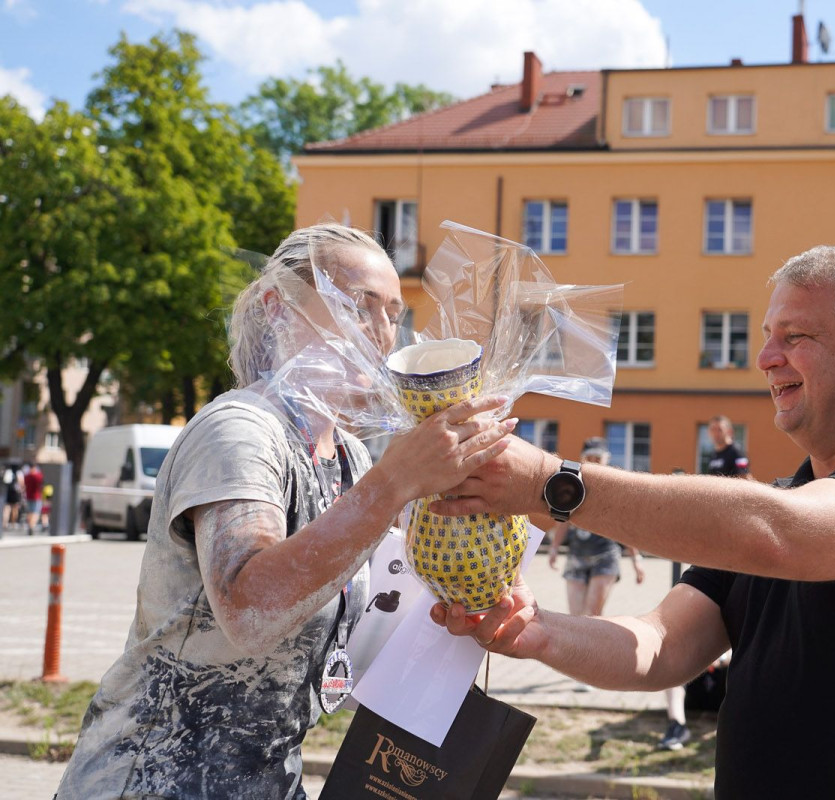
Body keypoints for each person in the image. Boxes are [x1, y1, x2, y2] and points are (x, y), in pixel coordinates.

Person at [432, 245, 835, 798]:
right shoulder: (774, 509)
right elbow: (661, 647)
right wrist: (539, 632)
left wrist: (550, 483)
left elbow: (784, 536)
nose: (765, 359)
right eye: (766, 339)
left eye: (796, 337)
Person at [56, 223, 512, 800]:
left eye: (392, 313)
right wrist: (396, 482)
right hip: (152, 779)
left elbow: (348, 620)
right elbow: (251, 608)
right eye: (355, 304)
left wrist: (469, 591)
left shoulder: (348, 456)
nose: (378, 331)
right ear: (275, 308)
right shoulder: (240, 430)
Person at [659, 415, 750, 751]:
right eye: (710, 431)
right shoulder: (712, 457)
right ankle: (676, 725)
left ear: (728, 431)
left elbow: (743, 484)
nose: (714, 435)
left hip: (728, 529)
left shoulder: (735, 452)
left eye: (717, 430)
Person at [547, 437, 645, 624]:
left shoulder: (614, 488)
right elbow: (563, 521)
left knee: (591, 614)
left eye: (597, 458)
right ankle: (577, 652)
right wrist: (554, 548)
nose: (593, 462)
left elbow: (623, 526)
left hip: (605, 555)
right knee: (575, 618)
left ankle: (590, 651)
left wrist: (636, 560)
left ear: (606, 459)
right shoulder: (573, 484)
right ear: (582, 459)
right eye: (589, 458)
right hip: (577, 555)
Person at [23, 462, 43, 535]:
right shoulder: (38, 476)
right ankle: (31, 526)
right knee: (36, 512)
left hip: (28, 496)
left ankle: (30, 526)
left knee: (29, 512)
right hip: (37, 496)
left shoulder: (27, 476)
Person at [3, 462, 23, 529]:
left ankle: (5, 523)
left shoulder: (8, 471)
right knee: (15, 508)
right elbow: (21, 483)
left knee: (7, 508)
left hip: (8, 492)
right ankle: (13, 523)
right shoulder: (19, 472)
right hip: (16, 492)